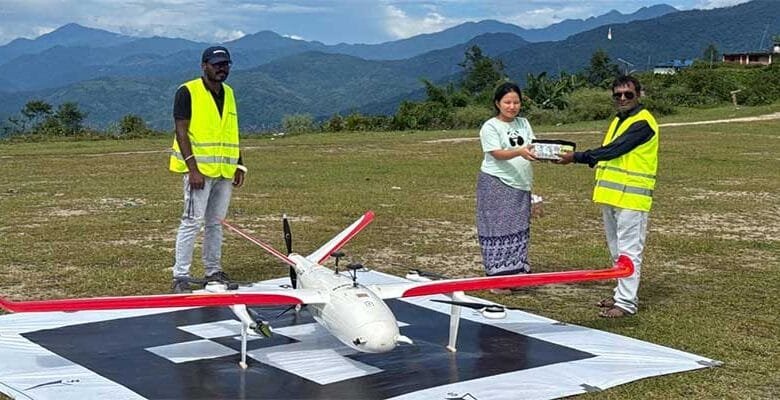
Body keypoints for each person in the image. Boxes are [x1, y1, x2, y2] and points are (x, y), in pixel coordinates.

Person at [557, 75, 659, 318]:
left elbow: (614, 150)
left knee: (629, 252)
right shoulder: (618, 120)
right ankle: (620, 294)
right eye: (618, 95)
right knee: (617, 250)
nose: (622, 98)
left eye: (628, 94)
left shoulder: (643, 123)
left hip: (633, 198)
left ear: (639, 95)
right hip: (613, 196)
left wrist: (577, 157)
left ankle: (626, 303)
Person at [169, 46, 246, 293]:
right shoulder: (187, 91)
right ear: (204, 66)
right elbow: (181, 131)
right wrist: (192, 168)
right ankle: (180, 275)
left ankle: (213, 271)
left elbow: (230, 130)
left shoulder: (230, 93)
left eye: (225, 64)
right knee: (192, 221)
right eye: (216, 64)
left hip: (224, 170)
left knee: (216, 222)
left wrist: (239, 163)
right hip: (199, 172)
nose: (222, 68)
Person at [476, 82, 538, 294]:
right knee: (498, 229)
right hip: (497, 183)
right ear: (497, 103)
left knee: (518, 228)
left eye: (516, 102)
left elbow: (533, 146)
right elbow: (496, 153)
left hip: (521, 183)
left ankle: (517, 273)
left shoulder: (524, 123)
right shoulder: (490, 127)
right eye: (507, 102)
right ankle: (497, 279)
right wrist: (520, 152)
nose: (512, 106)